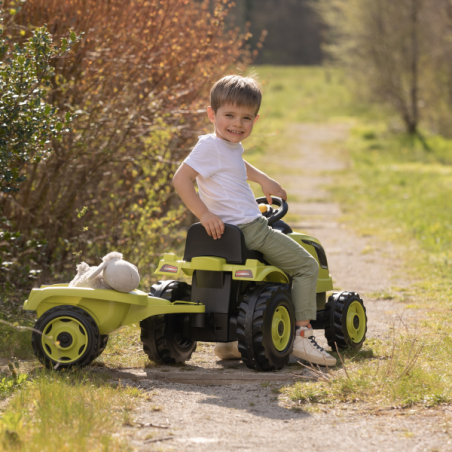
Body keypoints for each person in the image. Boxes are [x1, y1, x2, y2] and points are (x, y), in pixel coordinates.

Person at [172, 74, 336, 367]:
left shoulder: (225, 146)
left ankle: (230, 341)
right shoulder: (209, 147)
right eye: (229, 115)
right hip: (250, 230)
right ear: (212, 114)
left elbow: (236, 163)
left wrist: (265, 180)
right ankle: (301, 334)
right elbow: (181, 179)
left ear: (255, 120)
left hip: (232, 232)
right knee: (306, 266)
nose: (237, 124)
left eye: (246, 118)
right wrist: (204, 213)